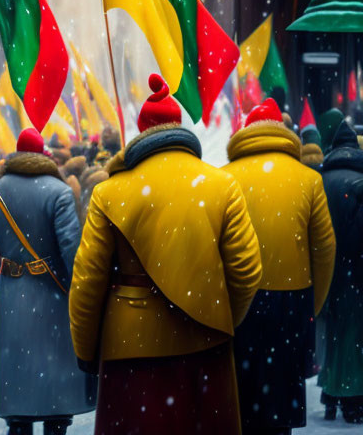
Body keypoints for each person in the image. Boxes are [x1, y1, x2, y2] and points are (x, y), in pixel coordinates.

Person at [69, 74, 263, 435]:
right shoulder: (222, 185)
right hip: (206, 347)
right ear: (179, 130)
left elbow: (87, 281)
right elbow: (247, 270)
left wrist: (85, 350)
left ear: (142, 132)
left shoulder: (109, 192)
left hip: (130, 349)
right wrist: (217, 318)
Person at [0, 128, 95, 435]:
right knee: (55, 384)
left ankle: (19, 424)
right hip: (54, 295)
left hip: (13, 298)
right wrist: (78, 289)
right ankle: (55, 427)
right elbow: (71, 249)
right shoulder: (60, 191)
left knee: (20, 381)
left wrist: (6, 266)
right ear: (43, 155)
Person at [224, 98, 336, 435]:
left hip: (236, 302)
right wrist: (312, 305)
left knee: (241, 398)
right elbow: (325, 248)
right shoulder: (308, 179)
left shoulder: (222, 178)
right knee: (280, 404)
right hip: (291, 302)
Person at [318, 121, 363, 423]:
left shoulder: (318, 180)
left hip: (326, 269)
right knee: (353, 335)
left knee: (331, 334)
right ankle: (351, 400)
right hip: (355, 270)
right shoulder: (359, 183)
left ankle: (329, 396)